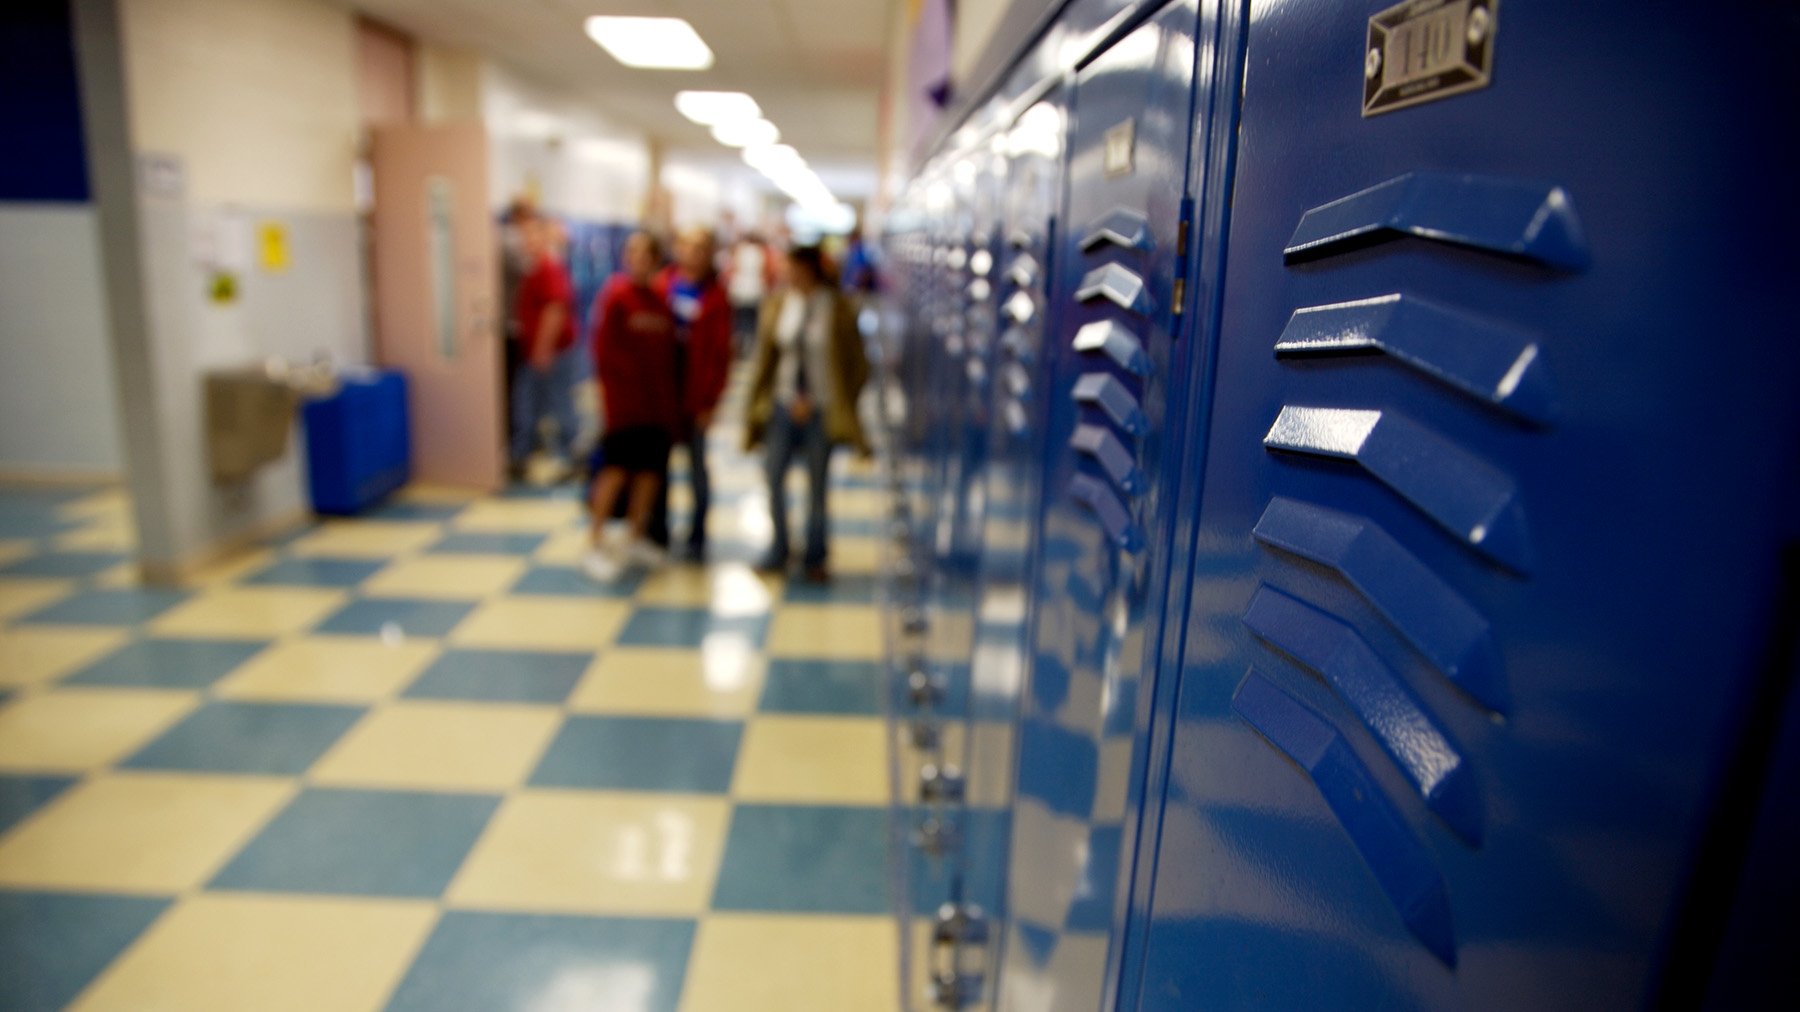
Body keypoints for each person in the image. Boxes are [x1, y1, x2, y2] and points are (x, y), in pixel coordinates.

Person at [744, 244, 870, 582]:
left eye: (796, 269)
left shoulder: (838, 308)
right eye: (788, 269)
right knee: (773, 477)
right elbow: (766, 359)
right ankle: (778, 549)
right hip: (782, 405)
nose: (790, 275)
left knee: (817, 484)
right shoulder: (779, 304)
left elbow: (858, 364)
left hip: (821, 408)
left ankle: (815, 556)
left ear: (812, 270)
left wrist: (837, 400)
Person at [584, 231, 680, 581]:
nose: (639, 260)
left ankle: (635, 537)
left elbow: (667, 357)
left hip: (656, 409)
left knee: (649, 473)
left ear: (656, 261)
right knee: (616, 471)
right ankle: (594, 542)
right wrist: (614, 404)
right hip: (625, 408)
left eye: (646, 254)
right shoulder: (616, 298)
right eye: (633, 253)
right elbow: (604, 355)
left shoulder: (659, 300)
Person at [652, 226, 733, 558]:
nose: (693, 254)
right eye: (687, 246)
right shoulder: (662, 286)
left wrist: (712, 401)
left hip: (696, 397)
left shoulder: (715, 295)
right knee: (658, 467)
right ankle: (657, 530)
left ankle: (698, 533)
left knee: (697, 468)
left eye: (701, 248)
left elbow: (720, 354)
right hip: (662, 396)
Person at [508, 215, 579, 478]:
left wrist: (542, 349)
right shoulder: (534, 269)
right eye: (522, 236)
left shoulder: (549, 268)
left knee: (559, 403)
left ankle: (568, 457)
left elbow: (555, 309)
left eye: (531, 235)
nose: (526, 242)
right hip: (537, 351)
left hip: (553, 352)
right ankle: (523, 454)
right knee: (529, 402)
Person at [725, 232, 776, 356]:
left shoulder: (740, 251)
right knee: (751, 320)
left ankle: (740, 346)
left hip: (739, 289)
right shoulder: (762, 252)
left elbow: (730, 270)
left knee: (740, 319)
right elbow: (768, 272)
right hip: (755, 290)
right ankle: (748, 347)